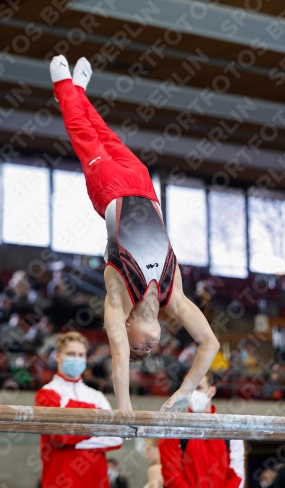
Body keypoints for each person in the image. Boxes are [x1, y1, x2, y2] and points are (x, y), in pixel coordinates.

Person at [50, 55, 219, 411]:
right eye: (150, 349)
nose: (147, 348)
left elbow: (119, 356)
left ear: (126, 328)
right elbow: (210, 345)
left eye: (139, 348)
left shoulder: (119, 300)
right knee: (107, 135)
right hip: (145, 188)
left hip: (110, 191)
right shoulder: (175, 298)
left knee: (85, 136)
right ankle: (80, 93)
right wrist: (185, 391)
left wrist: (124, 410)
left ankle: (64, 88)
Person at [35, 331, 122, 488]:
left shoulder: (96, 396)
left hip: (98, 484)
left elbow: (117, 438)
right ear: (58, 356)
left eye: (81, 355)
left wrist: (74, 436)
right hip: (60, 485)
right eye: (71, 354)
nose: (76, 358)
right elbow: (59, 437)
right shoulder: (46, 393)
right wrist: (97, 426)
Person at [159, 372, 245, 488]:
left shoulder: (230, 429)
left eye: (198, 388)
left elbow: (236, 473)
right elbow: (171, 475)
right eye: (189, 390)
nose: (193, 394)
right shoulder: (173, 428)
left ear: (212, 391)